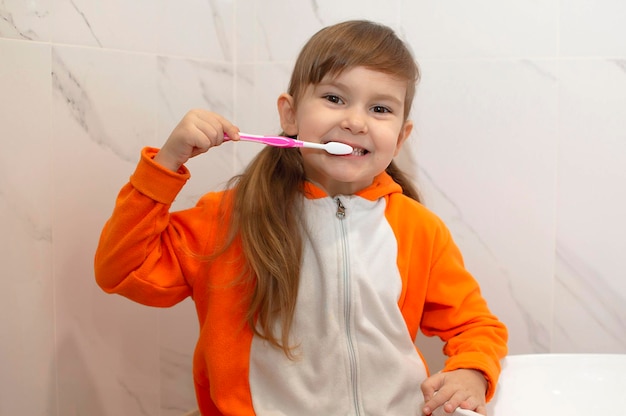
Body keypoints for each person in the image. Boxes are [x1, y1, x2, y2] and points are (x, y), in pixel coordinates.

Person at [94, 20, 507, 416]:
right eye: (334, 98)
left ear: (400, 138)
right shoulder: (231, 218)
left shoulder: (419, 229)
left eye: (380, 108)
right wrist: (165, 166)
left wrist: (471, 369)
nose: (355, 121)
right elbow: (121, 269)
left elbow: (476, 324)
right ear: (289, 115)